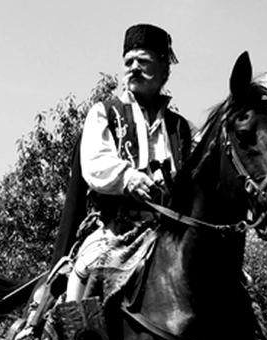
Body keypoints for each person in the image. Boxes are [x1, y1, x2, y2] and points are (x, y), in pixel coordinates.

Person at [65, 22, 193, 303]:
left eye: (143, 61)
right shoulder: (105, 112)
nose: (133, 67)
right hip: (115, 230)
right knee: (82, 271)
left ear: (164, 68)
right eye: (128, 62)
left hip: (168, 233)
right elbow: (95, 163)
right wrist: (128, 179)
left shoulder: (181, 129)